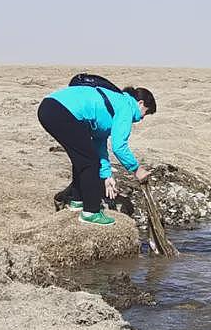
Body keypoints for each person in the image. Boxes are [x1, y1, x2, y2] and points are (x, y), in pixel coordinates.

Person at [37, 82, 156, 225]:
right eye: (146, 112)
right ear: (140, 103)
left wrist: (106, 176)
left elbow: (99, 144)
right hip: (61, 112)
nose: (143, 118)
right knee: (90, 162)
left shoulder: (115, 102)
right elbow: (119, 147)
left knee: (83, 157)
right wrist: (137, 170)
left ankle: (77, 201)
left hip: (49, 107)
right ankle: (91, 212)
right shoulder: (126, 106)